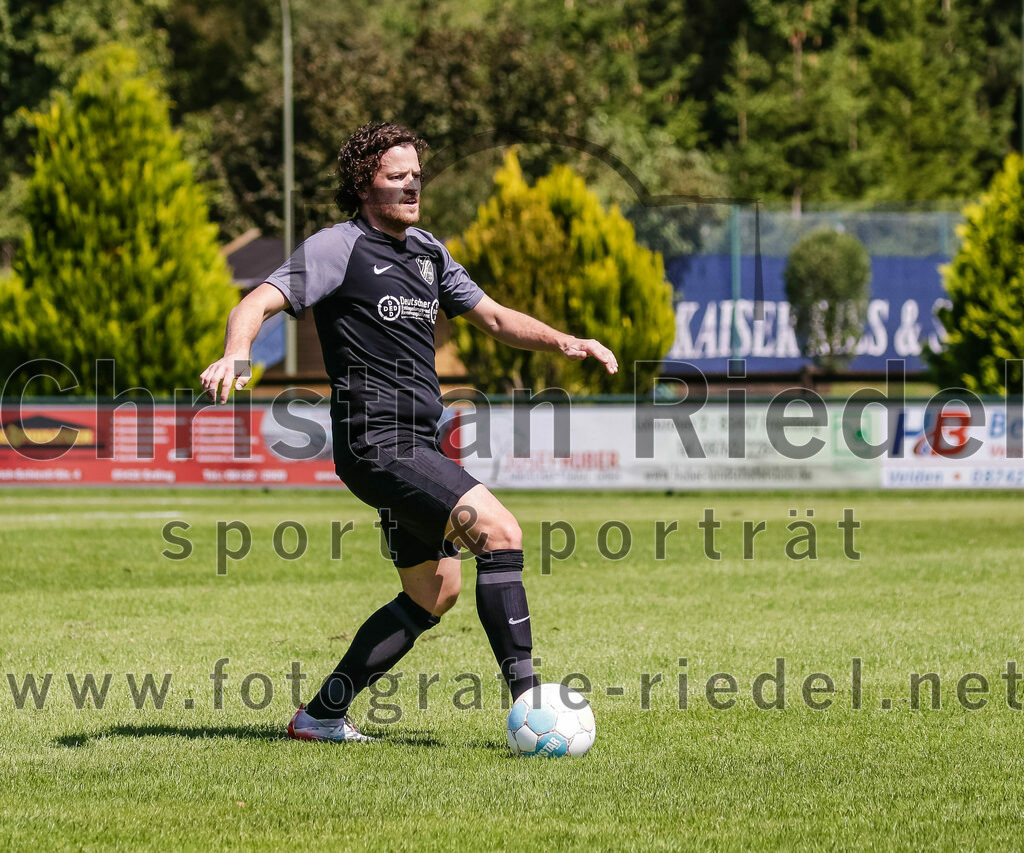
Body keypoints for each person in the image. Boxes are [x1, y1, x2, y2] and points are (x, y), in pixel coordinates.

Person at [200, 121, 618, 741]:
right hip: (376, 443)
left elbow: (494, 318)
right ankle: (534, 709)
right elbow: (254, 302)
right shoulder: (338, 247)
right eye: (397, 176)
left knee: (434, 592)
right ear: (363, 185)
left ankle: (320, 716)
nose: (412, 185)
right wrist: (238, 352)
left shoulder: (428, 253)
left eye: (416, 175)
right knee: (500, 533)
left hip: (416, 444)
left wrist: (565, 341)